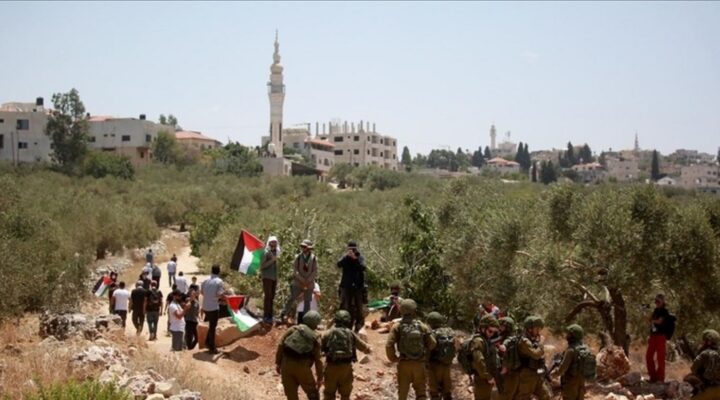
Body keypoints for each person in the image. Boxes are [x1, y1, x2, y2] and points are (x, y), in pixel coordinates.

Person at [385, 299, 437, 400]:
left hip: (404, 364)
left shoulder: (397, 326)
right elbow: (433, 344)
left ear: (402, 310)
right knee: (421, 392)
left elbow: (388, 345)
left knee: (403, 394)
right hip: (419, 364)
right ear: (414, 310)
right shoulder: (422, 326)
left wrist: (394, 359)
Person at [321, 310, 371, 400]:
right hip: (346, 368)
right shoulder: (350, 333)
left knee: (328, 394)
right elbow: (363, 347)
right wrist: (369, 349)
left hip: (331, 366)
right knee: (345, 395)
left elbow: (319, 347)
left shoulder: (329, 333)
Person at [276, 311, 324, 400]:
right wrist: (320, 378)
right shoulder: (316, 337)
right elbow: (318, 360)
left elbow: (281, 345)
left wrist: (278, 363)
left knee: (291, 395)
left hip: (286, 365)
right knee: (313, 394)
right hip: (303, 368)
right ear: (316, 323)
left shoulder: (293, 329)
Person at [281, 240, 318, 324]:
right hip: (298, 282)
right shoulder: (297, 257)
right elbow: (295, 270)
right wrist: (301, 279)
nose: (303, 248)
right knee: (291, 298)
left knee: (307, 302)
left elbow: (315, 270)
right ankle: (283, 314)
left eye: (304, 246)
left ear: (309, 248)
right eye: (302, 246)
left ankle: (305, 321)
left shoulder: (314, 258)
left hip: (309, 283)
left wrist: (308, 280)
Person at [515, 316, 550, 400]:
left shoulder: (533, 339)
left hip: (536, 373)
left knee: (546, 396)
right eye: (536, 329)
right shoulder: (524, 341)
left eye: (539, 329)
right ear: (529, 329)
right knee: (524, 397)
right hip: (527, 374)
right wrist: (541, 343)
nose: (538, 331)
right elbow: (536, 354)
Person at [467, 315, 501, 400]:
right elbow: (479, 362)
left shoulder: (486, 340)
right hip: (483, 379)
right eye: (490, 331)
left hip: (489, 377)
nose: (492, 334)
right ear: (482, 328)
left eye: (494, 332)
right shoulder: (478, 341)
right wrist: (488, 377)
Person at [552, 324, 589, 400]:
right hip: (581, 383)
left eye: (569, 334)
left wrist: (553, 374)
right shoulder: (585, 348)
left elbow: (563, 368)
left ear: (573, 336)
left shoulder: (571, 350)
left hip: (570, 384)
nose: (567, 336)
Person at [337, 241, 366, 333]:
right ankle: (347, 326)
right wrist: (347, 256)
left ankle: (359, 326)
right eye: (350, 249)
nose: (352, 250)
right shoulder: (345, 257)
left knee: (359, 307)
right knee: (346, 306)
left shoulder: (360, 257)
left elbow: (363, 267)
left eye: (353, 249)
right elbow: (339, 264)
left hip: (358, 286)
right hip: (346, 286)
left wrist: (355, 258)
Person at [426, 311, 455, 400]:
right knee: (447, 393)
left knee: (434, 393)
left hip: (434, 366)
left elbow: (429, 349)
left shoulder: (432, 334)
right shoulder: (450, 331)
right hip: (447, 365)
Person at [684, 329, 720, 399]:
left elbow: (693, 369)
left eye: (704, 340)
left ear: (708, 341)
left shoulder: (704, 353)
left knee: (688, 377)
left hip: (708, 386)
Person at [646, 294, 673, 383]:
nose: (656, 303)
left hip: (661, 337)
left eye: (658, 301)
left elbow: (659, 321)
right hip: (653, 336)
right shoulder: (655, 311)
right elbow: (651, 322)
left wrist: (651, 320)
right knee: (648, 356)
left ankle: (660, 378)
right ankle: (653, 377)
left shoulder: (664, 311)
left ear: (662, 301)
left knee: (660, 358)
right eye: (655, 301)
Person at [201, 264, 226, 354]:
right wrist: (224, 297)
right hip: (213, 307)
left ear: (211, 271)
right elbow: (219, 294)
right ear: (219, 271)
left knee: (209, 326)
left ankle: (207, 342)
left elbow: (202, 292)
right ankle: (212, 348)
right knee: (212, 327)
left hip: (205, 307)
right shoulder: (219, 282)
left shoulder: (205, 280)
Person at [497, 317, 521, 400]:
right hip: (508, 371)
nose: (500, 327)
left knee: (507, 395)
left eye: (502, 326)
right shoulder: (503, 336)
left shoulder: (511, 339)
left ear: (508, 327)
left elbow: (506, 346)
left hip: (511, 372)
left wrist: (504, 367)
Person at [261, 235, 281, 325]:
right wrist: (272, 260)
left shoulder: (277, 253)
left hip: (274, 277)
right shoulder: (266, 252)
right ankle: (265, 316)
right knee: (268, 297)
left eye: (275, 242)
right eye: (272, 242)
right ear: (269, 243)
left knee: (272, 297)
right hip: (267, 277)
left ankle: (270, 315)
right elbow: (262, 266)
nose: (274, 243)